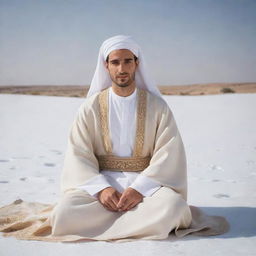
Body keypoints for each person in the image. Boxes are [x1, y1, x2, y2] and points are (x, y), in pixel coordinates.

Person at [0, 35, 229, 242]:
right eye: (115, 62)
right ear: (106, 66)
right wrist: (101, 189)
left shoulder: (157, 107)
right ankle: (141, 225)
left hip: (146, 185)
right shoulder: (89, 108)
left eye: (128, 61)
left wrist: (140, 188)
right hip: (102, 183)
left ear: (137, 64)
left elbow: (169, 153)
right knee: (64, 213)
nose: (122, 68)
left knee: (175, 208)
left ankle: (103, 226)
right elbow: (78, 154)